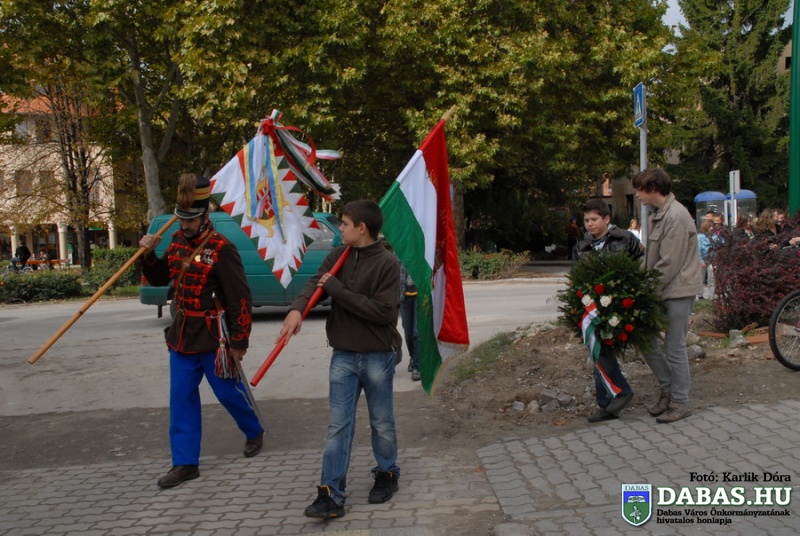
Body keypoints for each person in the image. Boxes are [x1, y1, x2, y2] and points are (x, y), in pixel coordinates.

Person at [138, 173, 264, 490]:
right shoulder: (176, 241)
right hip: (182, 334)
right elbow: (159, 279)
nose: (185, 225)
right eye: (181, 218)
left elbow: (240, 298)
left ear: (204, 216)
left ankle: (253, 430)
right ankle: (185, 463)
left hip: (213, 336)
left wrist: (239, 341)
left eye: (190, 219)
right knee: (181, 398)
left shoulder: (222, 248)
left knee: (227, 393)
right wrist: (148, 254)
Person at [280, 199, 402, 520]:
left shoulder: (387, 263)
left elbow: (382, 312)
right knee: (338, 425)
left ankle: (387, 473)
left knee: (381, 422)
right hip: (343, 355)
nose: (341, 230)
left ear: (361, 228)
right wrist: (297, 309)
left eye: (345, 224)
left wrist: (337, 289)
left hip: (377, 355)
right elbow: (315, 284)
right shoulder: (338, 256)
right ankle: (331, 493)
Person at [633, 168, 703, 424]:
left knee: (674, 348)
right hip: (662, 289)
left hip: (677, 290)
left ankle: (680, 402)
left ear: (653, 189)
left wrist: (645, 290)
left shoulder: (675, 215)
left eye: (640, 189)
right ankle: (668, 390)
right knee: (646, 341)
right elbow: (651, 259)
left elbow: (668, 263)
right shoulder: (659, 215)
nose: (637, 194)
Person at [573, 199, 644, 423]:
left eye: (594, 219)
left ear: (606, 219)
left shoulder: (625, 238)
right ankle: (608, 403)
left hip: (623, 304)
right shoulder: (581, 247)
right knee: (598, 352)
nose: (590, 224)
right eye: (586, 220)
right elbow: (576, 276)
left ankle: (619, 393)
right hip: (594, 307)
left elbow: (641, 263)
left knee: (602, 353)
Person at [398, 261, 420, 382]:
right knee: (408, 333)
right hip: (404, 298)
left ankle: (416, 366)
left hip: (419, 297)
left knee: (416, 332)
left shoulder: (421, 255)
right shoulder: (398, 255)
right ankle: (413, 357)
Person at [697, 220, 715, 300]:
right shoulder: (699, 237)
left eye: (712, 226)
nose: (712, 228)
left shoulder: (714, 236)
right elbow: (698, 249)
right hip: (702, 260)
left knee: (712, 278)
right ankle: (700, 295)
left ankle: (712, 296)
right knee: (701, 278)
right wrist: (701, 261)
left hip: (712, 260)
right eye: (710, 226)